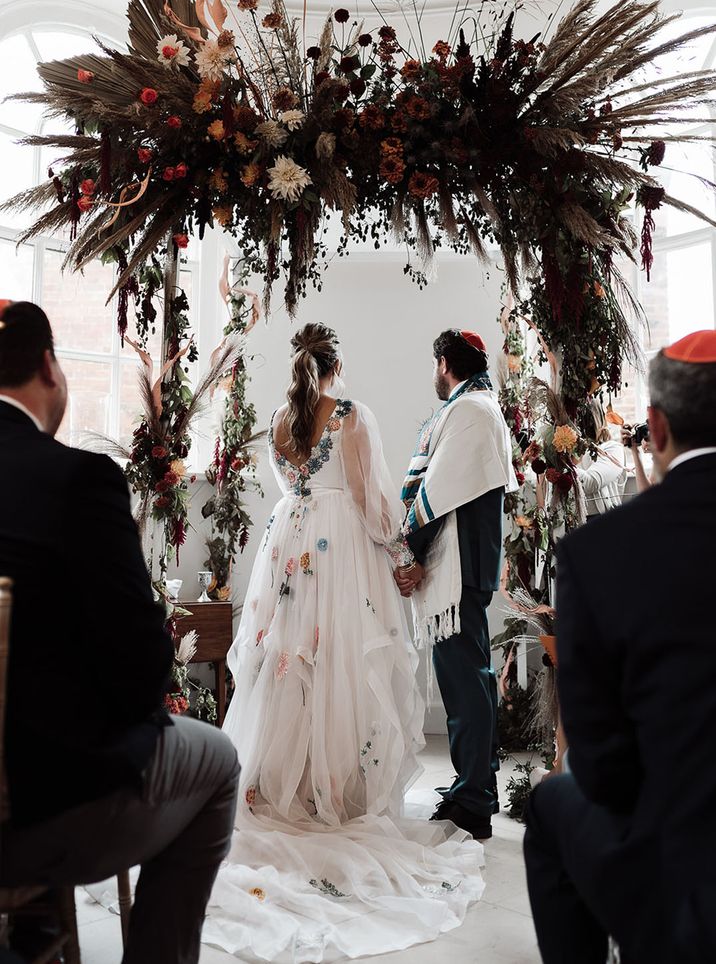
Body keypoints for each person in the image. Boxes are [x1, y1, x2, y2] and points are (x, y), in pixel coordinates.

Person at [202, 322, 484, 961]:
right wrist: (401, 552)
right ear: (337, 366)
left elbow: (288, 489)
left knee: (286, 665)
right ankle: (336, 789)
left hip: (289, 544)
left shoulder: (281, 417)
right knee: (337, 666)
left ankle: (278, 788)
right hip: (337, 552)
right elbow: (371, 499)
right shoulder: (352, 415)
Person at [0, 301, 239, 964]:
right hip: (36, 809)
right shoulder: (77, 479)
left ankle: (35, 930)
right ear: (50, 367)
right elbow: (141, 670)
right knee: (218, 762)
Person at [523, 329, 716, 964]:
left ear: (655, 427)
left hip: (685, 893)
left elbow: (604, 769)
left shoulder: (597, 555)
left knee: (553, 803)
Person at [394, 329, 518, 841]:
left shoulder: (469, 413)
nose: (433, 376)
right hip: (467, 562)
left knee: (465, 686)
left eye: (434, 365)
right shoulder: (481, 408)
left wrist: (412, 553)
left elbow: (437, 490)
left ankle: (472, 802)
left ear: (445, 362)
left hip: (457, 566)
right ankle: (476, 788)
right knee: (476, 681)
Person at [576, 398, 628, 518]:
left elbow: (591, 483)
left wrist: (559, 464)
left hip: (601, 521)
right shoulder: (567, 451)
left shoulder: (613, 449)